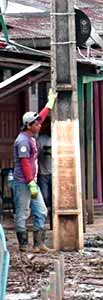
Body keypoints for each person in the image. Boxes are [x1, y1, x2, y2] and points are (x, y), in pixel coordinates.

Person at [13, 89, 56, 252]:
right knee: (23, 212)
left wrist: (49, 104)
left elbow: (42, 117)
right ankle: (23, 246)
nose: (40, 125)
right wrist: (31, 182)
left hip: (32, 181)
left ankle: (39, 244)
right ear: (28, 126)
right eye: (36, 123)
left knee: (42, 210)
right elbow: (24, 163)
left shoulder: (31, 136)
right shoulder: (22, 141)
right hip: (23, 182)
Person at [36, 119, 52, 221]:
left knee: (54, 196)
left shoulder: (59, 139)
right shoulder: (41, 140)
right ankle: (47, 213)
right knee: (44, 196)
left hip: (55, 173)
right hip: (43, 172)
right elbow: (35, 155)